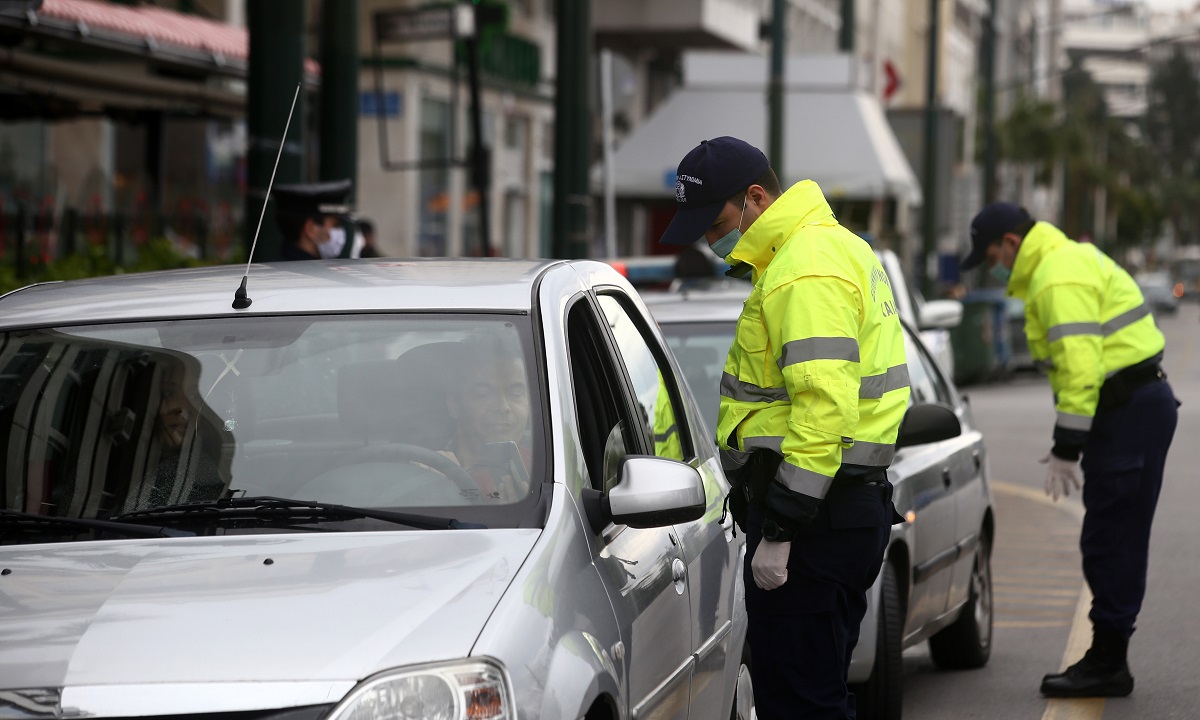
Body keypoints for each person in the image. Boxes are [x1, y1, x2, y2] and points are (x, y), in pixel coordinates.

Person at [660, 136, 910, 719]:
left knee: (801, 705)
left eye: (717, 222)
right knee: (812, 696)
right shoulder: (826, 251)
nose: (710, 239)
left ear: (754, 198)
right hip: (834, 515)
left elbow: (822, 407)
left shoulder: (804, 269)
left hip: (815, 525)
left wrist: (782, 527)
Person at [960, 202, 1178, 698]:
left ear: (1012, 244)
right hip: (1128, 410)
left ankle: (1108, 662)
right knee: (1110, 534)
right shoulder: (1065, 261)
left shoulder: (1056, 276)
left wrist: (1066, 446)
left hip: (1127, 412)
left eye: (994, 255)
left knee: (1111, 538)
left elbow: (1080, 369)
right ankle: (1108, 657)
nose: (996, 267)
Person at [441, 334, 533, 502]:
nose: (503, 407)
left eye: (516, 393)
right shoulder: (427, 470)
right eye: (483, 394)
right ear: (454, 405)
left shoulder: (543, 474)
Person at [273, 179, 353, 261]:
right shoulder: (308, 271)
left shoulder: (284, 263)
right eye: (336, 225)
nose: (341, 232)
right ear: (311, 229)